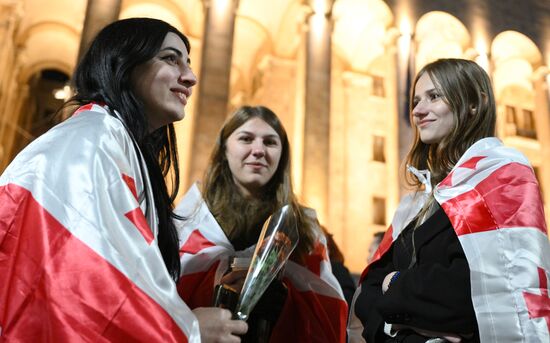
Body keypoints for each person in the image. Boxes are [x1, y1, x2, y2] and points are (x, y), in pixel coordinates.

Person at [0, 18, 247, 342]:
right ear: (125, 63)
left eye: (187, 62)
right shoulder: (88, 144)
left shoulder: (116, 145)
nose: (191, 77)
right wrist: (188, 330)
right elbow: (83, 291)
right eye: (171, 58)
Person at [348, 58, 549, 342]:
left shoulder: (503, 175)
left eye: (433, 96)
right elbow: (366, 293)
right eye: (416, 100)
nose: (417, 111)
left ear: (473, 104)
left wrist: (393, 283)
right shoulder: (420, 200)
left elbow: (480, 292)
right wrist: (405, 327)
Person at [175, 105, 348, 342]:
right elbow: (165, 295)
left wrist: (281, 297)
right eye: (246, 139)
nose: (258, 150)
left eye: (270, 142)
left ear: (282, 155)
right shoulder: (192, 217)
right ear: (224, 149)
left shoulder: (304, 227)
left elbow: (326, 312)